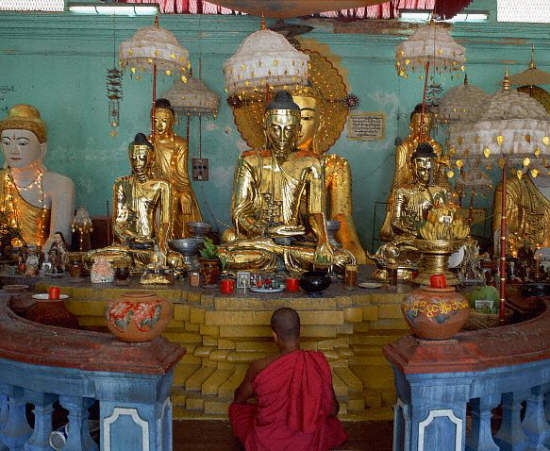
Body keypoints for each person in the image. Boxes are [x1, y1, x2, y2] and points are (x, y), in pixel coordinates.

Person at [219, 90, 354, 273]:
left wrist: (323, 241)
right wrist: (266, 231)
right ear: (265, 128)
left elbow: (316, 212)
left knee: (341, 260)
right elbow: (238, 213)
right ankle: (278, 254)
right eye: (275, 128)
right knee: (227, 245)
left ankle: (278, 254)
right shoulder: (249, 160)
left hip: (295, 239)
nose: (282, 137)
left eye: (289, 129)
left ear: (298, 131)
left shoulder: (311, 162)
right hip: (259, 240)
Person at [229, 307, 347, 451]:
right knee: (331, 425)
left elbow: (239, 399)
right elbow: (333, 409)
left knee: (237, 411)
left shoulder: (259, 366)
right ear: (301, 331)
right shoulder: (317, 362)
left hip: (268, 442)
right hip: (308, 440)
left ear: (274, 336)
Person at [291, 86, 367, 264]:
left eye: (307, 117)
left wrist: (350, 244)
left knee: (349, 257)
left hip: (316, 240)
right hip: (277, 241)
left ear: (320, 122)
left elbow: (341, 216)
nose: (298, 125)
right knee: (231, 237)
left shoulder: (334, 165)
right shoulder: (266, 163)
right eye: (292, 118)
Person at [86, 133, 181, 270]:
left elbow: (166, 221)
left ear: (151, 158)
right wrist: (128, 239)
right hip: (128, 248)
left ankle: (145, 263)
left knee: (174, 261)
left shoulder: (161, 186)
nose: (137, 163)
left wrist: (160, 245)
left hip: (150, 248)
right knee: (93, 258)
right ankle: (131, 263)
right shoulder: (122, 184)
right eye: (134, 158)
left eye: (142, 158)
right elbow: (118, 221)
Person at [0, 104, 75, 250]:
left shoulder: (59, 184)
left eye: (22, 143)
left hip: (40, 263)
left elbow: (59, 239)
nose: (13, 150)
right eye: (6, 143)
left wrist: (37, 262)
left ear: (42, 149)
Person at [150, 98, 202, 238]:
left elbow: (182, 174)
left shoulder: (179, 144)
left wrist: (185, 193)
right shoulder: (149, 143)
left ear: (172, 121)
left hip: (174, 191)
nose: (159, 124)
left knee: (174, 220)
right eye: (156, 120)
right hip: (151, 191)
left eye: (164, 120)